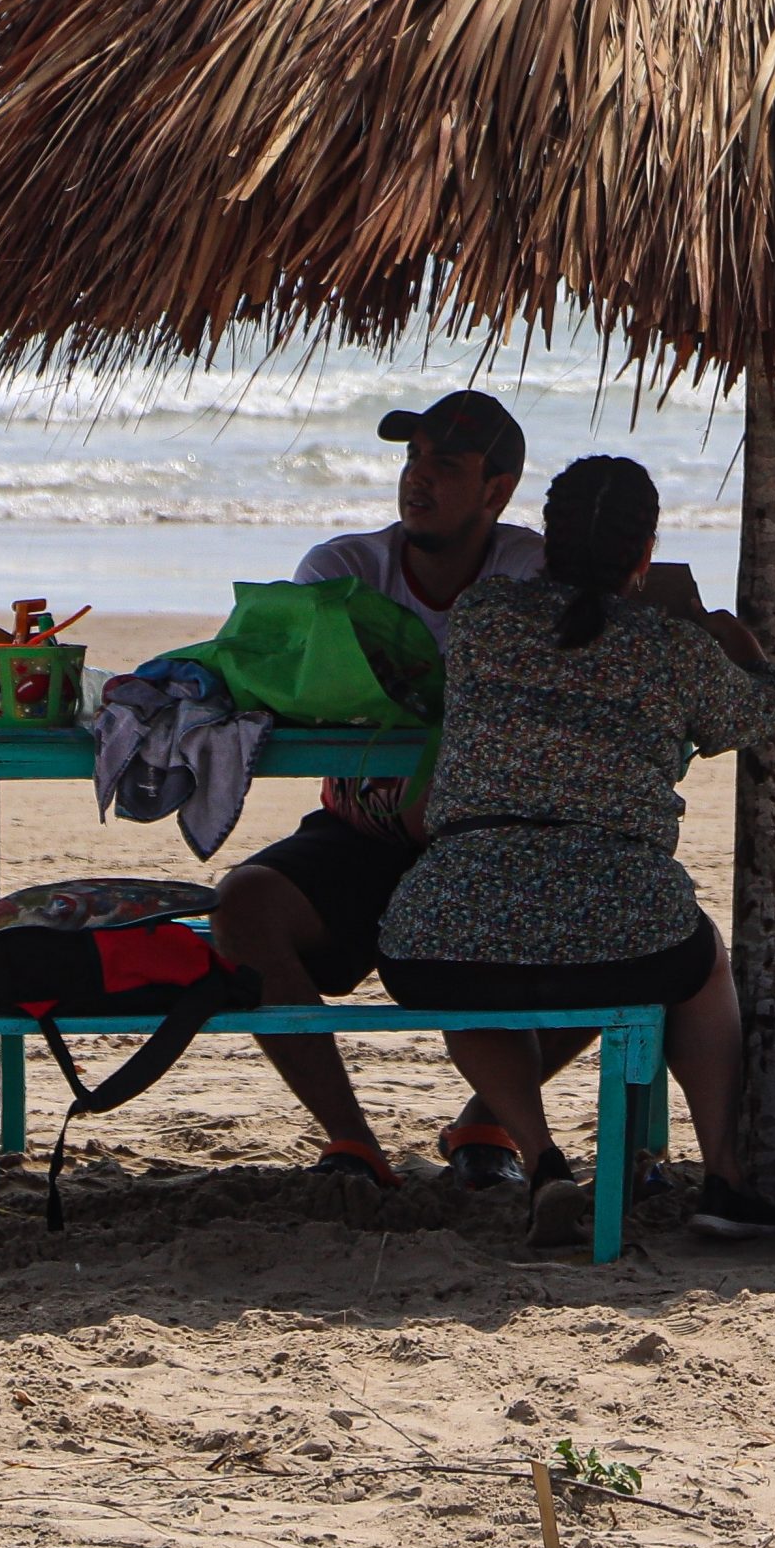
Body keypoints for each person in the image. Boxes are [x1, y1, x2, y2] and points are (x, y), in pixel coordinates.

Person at [376, 454, 775, 1247]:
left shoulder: (482, 614)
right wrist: (734, 643)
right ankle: (725, 1178)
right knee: (701, 959)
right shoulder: (670, 648)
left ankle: (542, 1162)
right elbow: (763, 713)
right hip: (624, 926)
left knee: (468, 975)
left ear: (546, 541)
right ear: (644, 552)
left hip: (446, 920)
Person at [209, 389, 579, 1187]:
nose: (419, 479)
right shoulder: (343, 570)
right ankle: (352, 1142)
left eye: (446, 464)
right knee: (242, 907)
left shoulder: (531, 570)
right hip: (363, 831)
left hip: (484, 838)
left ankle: (485, 1125)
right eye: (412, 459)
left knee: (620, 930)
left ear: (497, 489)